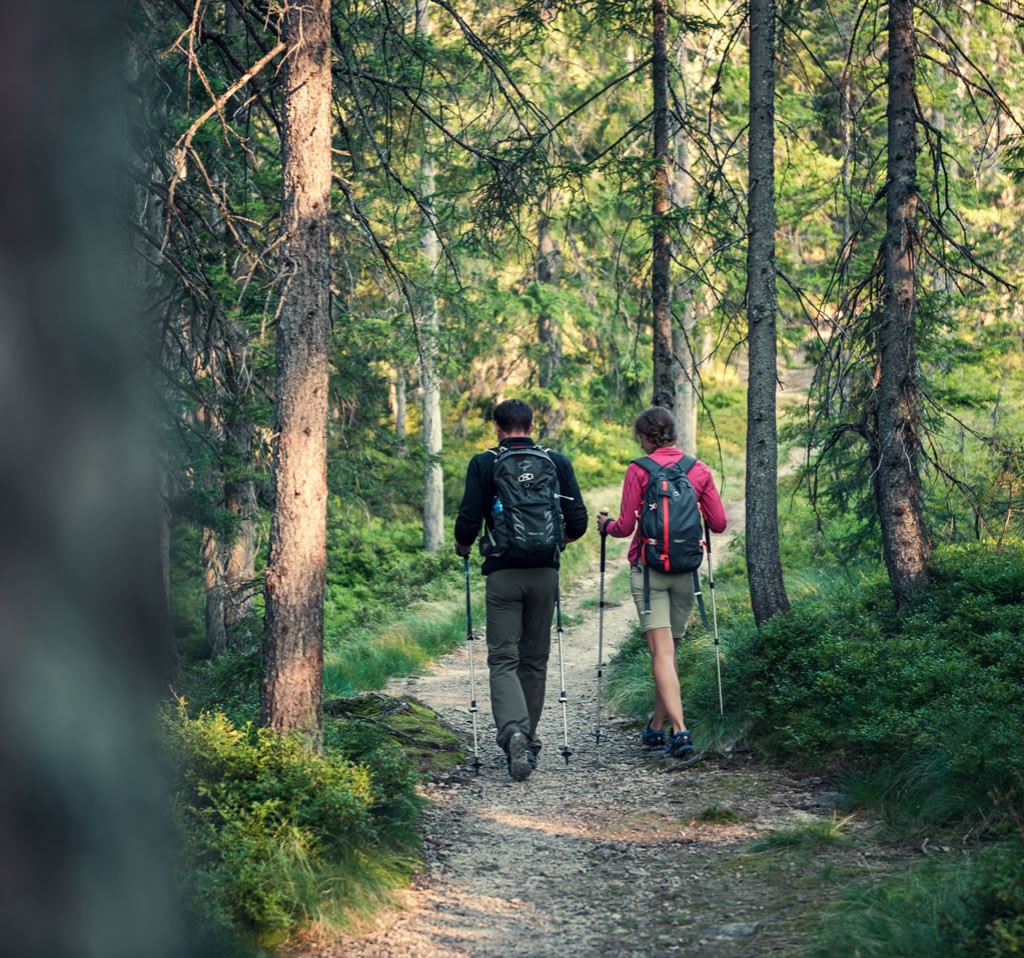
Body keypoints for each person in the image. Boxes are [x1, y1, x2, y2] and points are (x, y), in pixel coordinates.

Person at [455, 399, 588, 781]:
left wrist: (464, 543)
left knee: (502, 658)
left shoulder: (484, 463)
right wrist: (555, 541)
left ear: (496, 427)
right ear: (533, 424)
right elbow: (577, 520)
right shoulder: (556, 462)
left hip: (502, 573)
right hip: (545, 571)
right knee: (535, 658)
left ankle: (512, 730)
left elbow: (468, 518)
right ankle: (527, 740)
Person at [597, 406, 726, 758]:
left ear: (644, 436)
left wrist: (605, 525)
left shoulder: (639, 471)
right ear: (673, 433)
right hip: (686, 572)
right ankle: (656, 727)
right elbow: (718, 524)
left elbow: (624, 527)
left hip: (650, 571)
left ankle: (680, 731)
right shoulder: (698, 470)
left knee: (662, 654)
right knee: (667, 655)